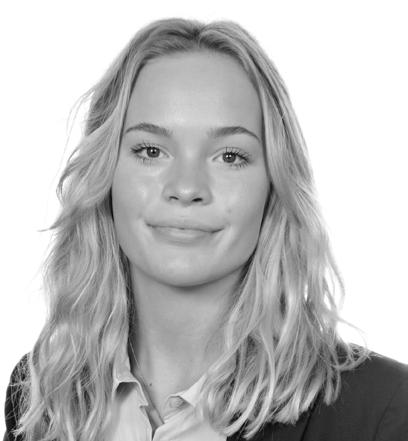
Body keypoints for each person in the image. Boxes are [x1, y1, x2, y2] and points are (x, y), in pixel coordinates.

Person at [4, 17, 408, 441]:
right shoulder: (41, 394)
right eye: (151, 150)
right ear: (104, 173)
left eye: (230, 156)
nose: (186, 188)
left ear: (275, 184)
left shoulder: (385, 411)